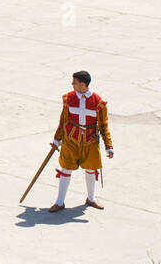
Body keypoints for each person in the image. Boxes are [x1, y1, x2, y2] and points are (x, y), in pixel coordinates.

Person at [49, 71, 115, 213]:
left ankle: (91, 198)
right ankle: (59, 202)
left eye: (75, 82)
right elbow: (63, 120)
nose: (72, 84)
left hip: (90, 141)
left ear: (83, 84)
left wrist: (108, 146)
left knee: (91, 169)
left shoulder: (99, 102)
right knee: (65, 169)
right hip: (70, 140)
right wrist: (57, 139)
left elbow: (104, 126)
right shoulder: (68, 98)